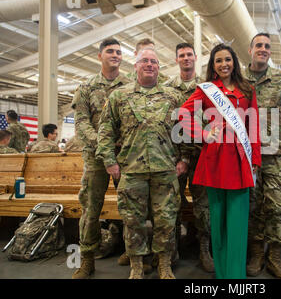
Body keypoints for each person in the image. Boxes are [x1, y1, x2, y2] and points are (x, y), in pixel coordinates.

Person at [97, 48, 184, 279]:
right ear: (135, 66)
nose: (149, 64)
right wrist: (109, 160)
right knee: (132, 221)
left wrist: (185, 159)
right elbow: (106, 129)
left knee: (166, 220)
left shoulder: (173, 96)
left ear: (159, 67)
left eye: (154, 61)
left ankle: (164, 264)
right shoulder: (119, 96)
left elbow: (185, 130)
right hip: (131, 170)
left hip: (165, 169)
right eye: (144, 61)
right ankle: (136, 266)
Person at [178, 43, 261, 279]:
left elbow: (253, 127)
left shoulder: (247, 89)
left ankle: (236, 276)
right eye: (218, 61)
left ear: (234, 61)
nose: (224, 64)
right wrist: (203, 134)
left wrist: (254, 158)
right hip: (214, 160)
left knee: (238, 222)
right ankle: (223, 275)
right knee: (218, 220)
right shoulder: (206, 90)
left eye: (227, 59)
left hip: (240, 161)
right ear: (213, 66)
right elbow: (183, 114)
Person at [243, 33, 281, 278]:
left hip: (278, 155)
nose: (263, 49)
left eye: (267, 46)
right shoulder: (240, 80)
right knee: (253, 206)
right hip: (248, 156)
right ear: (250, 50)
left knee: (279, 206)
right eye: (259, 45)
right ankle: (256, 254)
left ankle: (275, 257)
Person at [71, 38, 130, 279]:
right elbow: (81, 123)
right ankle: (87, 259)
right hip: (96, 158)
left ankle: (131, 250)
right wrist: (103, 146)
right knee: (90, 210)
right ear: (99, 56)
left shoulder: (129, 86)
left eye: (118, 52)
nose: (115, 55)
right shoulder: (86, 88)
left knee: (130, 207)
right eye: (110, 51)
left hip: (124, 156)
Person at [164, 42, 214, 272]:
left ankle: (204, 249)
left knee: (203, 206)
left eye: (189, 55)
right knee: (170, 204)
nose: (186, 58)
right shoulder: (167, 89)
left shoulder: (207, 88)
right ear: (176, 60)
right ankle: (171, 251)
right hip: (173, 159)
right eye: (181, 55)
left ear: (196, 58)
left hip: (199, 156)